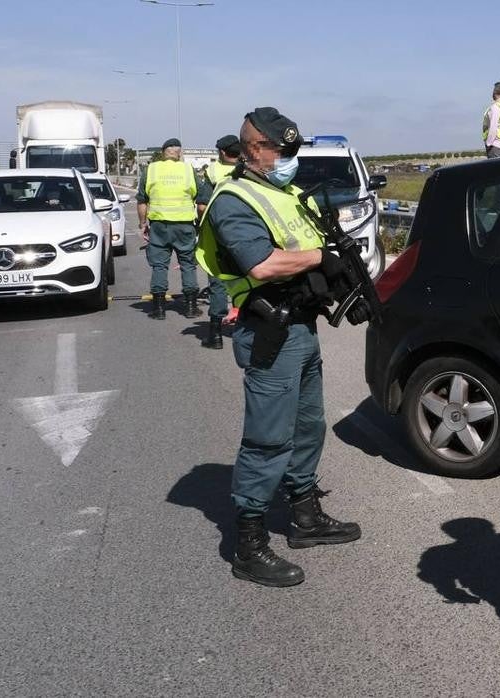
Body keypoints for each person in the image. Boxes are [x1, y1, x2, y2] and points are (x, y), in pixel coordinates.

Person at [195, 107, 361, 588]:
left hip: (301, 329)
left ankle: (305, 516)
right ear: (253, 150)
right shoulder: (233, 199)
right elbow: (262, 264)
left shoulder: (283, 192)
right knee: (269, 438)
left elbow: (305, 251)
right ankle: (248, 543)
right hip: (270, 331)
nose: (291, 158)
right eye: (283, 150)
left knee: (309, 425)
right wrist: (322, 257)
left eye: (294, 150)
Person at [137, 138, 211, 320]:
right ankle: (192, 307)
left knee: (159, 265)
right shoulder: (188, 170)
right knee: (188, 265)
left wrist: (143, 223)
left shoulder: (151, 170)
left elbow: (142, 201)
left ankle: (159, 308)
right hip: (184, 225)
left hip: (160, 226)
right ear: (179, 153)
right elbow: (200, 198)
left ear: (163, 152)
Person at [198, 134, 243, 349]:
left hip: (219, 236)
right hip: (247, 234)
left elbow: (202, 206)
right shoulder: (249, 169)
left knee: (218, 282)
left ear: (223, 152)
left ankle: (215, 334)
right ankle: (246, 327)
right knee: (247, 280)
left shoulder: (213, 172)